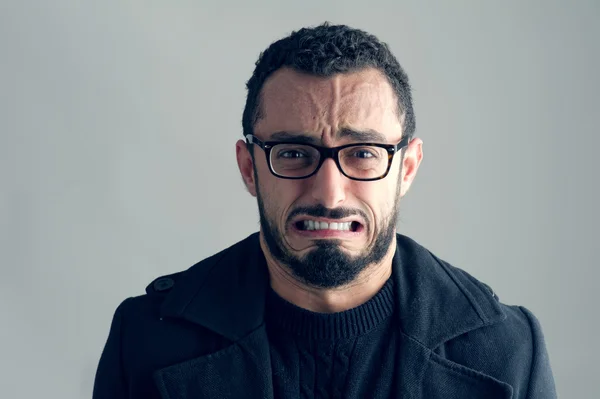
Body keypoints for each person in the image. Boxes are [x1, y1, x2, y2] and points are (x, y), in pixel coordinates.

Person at [93, 23, 556, 398]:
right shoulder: (144, 341)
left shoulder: (510, 350)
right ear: (249, 168)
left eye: (363, 152)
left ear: (407, 168)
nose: (329, 193)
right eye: (294, 153)